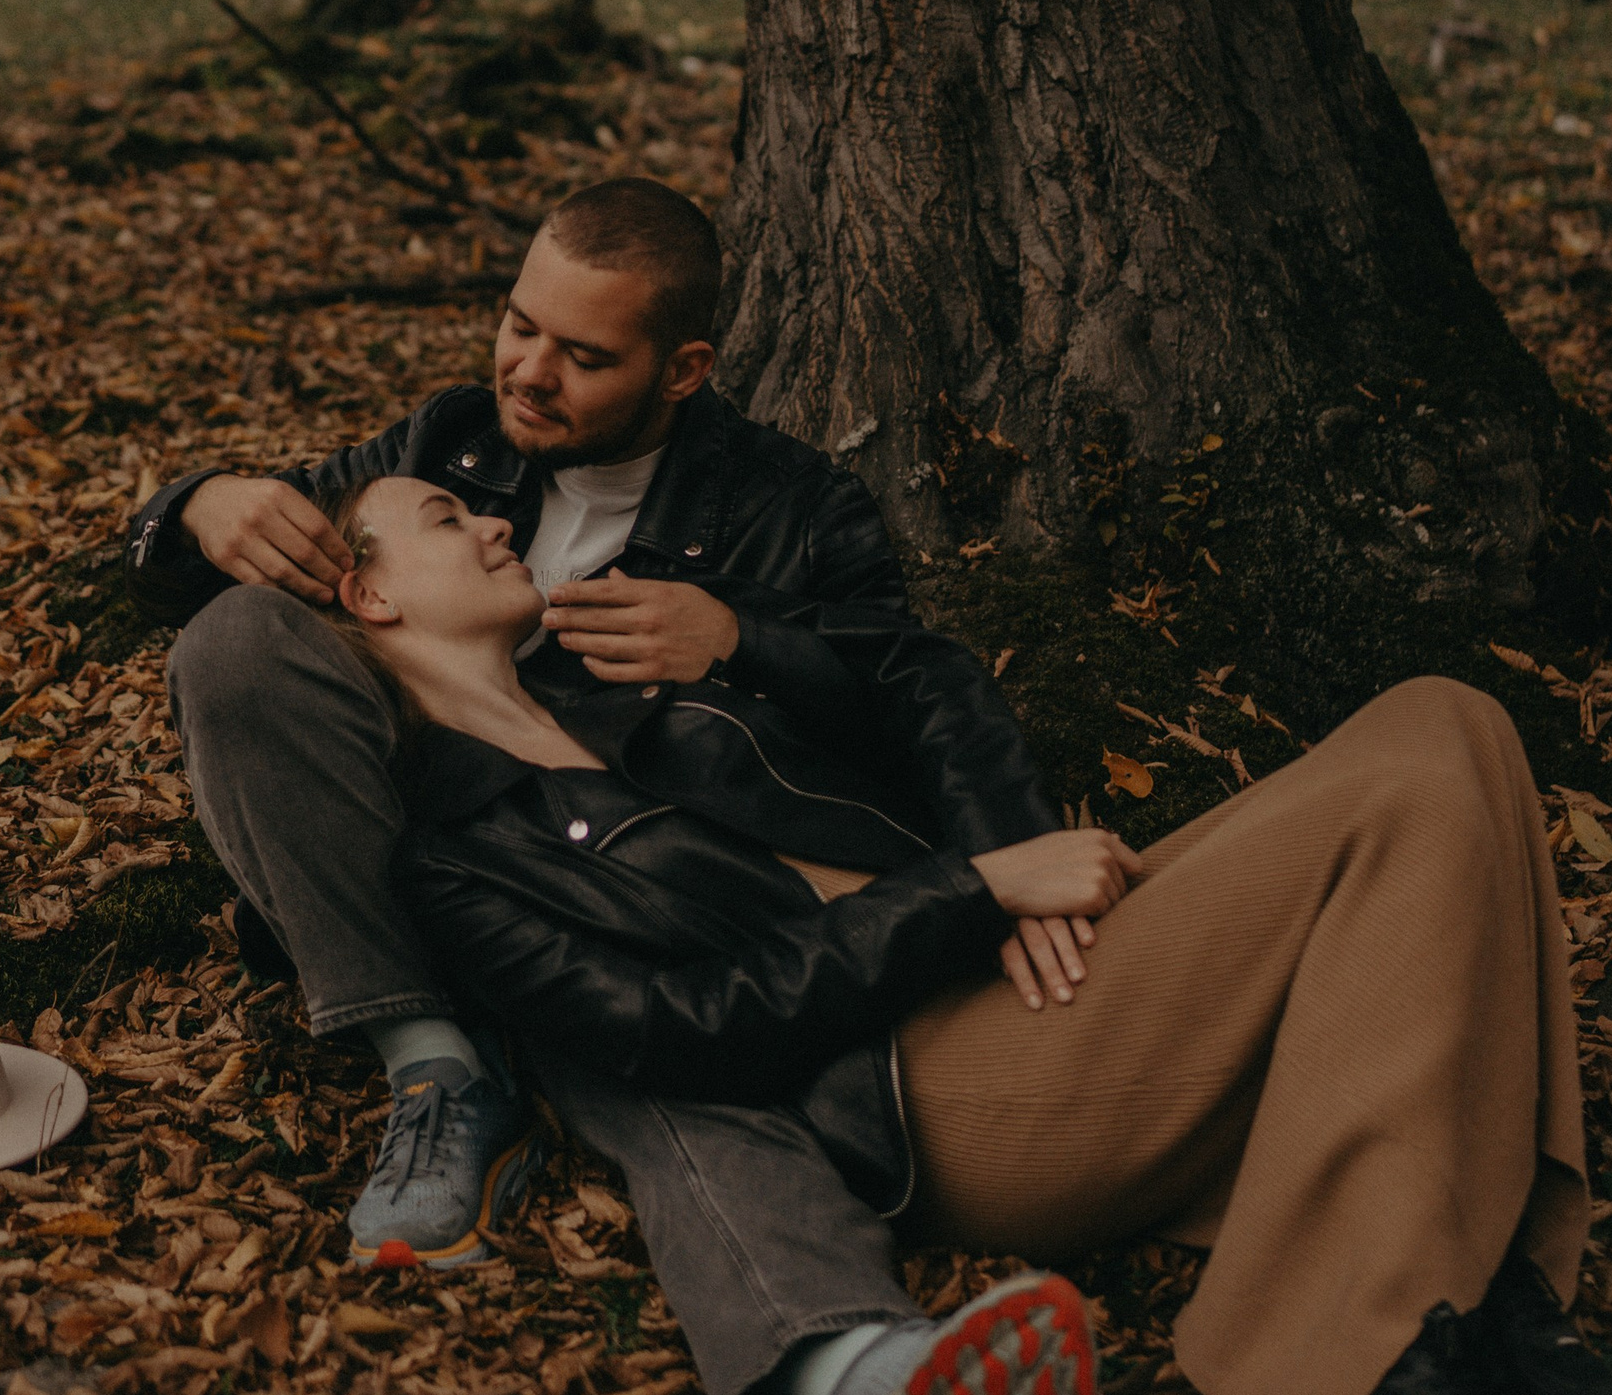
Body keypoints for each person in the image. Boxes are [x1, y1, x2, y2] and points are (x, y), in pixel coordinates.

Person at [319, 467, 1612, 1395]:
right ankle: (1377, 1369)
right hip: (927, 1076)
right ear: (371, 592)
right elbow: (683, 1028)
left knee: (1450, 721)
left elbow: (911, 690)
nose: (493, 521)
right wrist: (970, 890)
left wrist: (747, 644)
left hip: (999, 962)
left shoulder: (610, 689)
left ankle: (1480, 1260)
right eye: (446, 516)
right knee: (1409, 791)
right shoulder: (460, 856)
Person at [139, 175, 1058, 1279]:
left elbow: (911, 695)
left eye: (582, 355)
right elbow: (253, 555)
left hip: (640, 920)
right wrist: (196, 503)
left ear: (683, 371)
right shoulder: (450, 445)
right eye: (519, 324)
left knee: (673, 1081)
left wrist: (740, 637)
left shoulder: (791, 507)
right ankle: (432, 1061)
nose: (530, 370)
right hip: (429, 884)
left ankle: (842, 1351)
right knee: (233, 636)